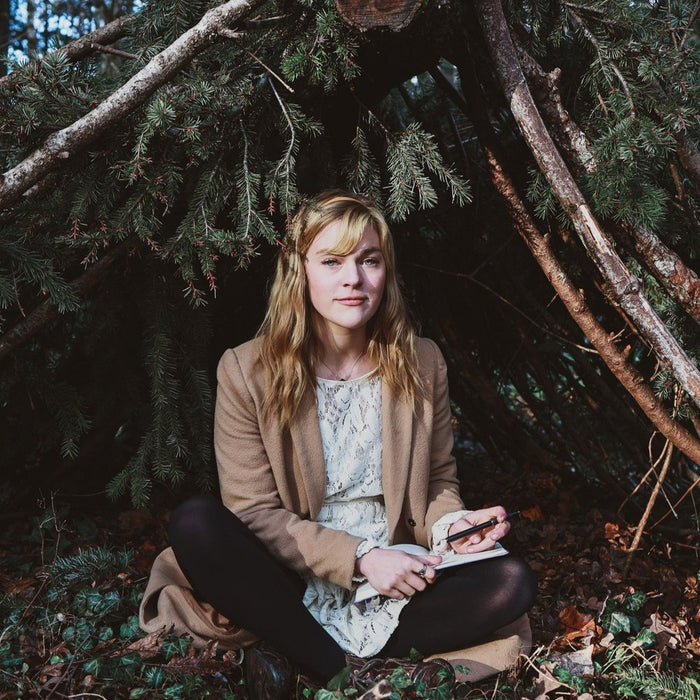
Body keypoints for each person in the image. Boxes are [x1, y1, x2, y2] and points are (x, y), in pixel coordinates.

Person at [144, 190, 536, 696]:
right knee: (195, 521)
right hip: (292, 570)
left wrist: (453, 524)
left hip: (398, 572)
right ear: (300, 272)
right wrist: (360, 558)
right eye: (331, 262)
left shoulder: (422, 360)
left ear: (385, 271)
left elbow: (438, 478)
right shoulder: (247, 370)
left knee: (512, 581)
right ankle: (342, 672)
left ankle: (300, 656)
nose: (353, 279)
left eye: (368, 260)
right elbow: (254, 512)